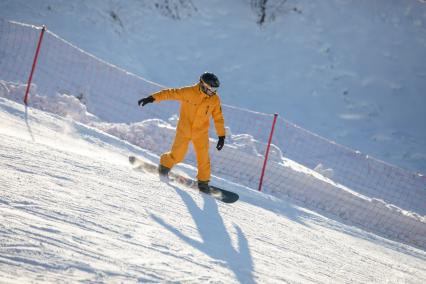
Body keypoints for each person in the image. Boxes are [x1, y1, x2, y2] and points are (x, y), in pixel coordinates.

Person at [138, 72, 226, 193]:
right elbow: (170, 93)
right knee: (178, 155)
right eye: (212, 89)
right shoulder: (188, 92)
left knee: (203, 158)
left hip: (201, 133)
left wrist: (221, 136)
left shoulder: (214, 100)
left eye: (215, 89)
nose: (214, 92)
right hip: (184, 130)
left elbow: (218, 117)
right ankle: (164, 166)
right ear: (204, 85)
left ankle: (203, 183)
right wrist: (152, 98)